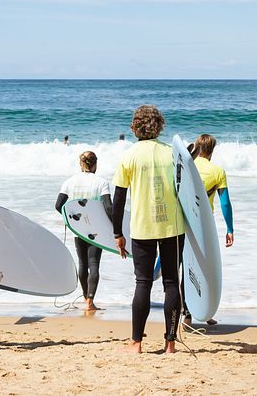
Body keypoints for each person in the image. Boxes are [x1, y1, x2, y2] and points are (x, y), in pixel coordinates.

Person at [112, 105, 185, 354]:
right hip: (173, 227)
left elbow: (118, 198)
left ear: (135, 126)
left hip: (142, 228)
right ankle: (170, 343)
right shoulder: (172, 154)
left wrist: (117, 234)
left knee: (142, 283)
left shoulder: (129, 156)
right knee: (172, 282)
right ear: (159, 125)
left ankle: (136, 343)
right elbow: (187, 192)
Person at [182, 134, 235, 327]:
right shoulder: (217, 171)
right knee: (205, 267)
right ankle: (204, 310)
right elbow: (225, 203)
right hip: (204, 225)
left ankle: (188, 314)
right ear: (212, 150)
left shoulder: (187, 167)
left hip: (183, 222)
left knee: (186, 265)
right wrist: (230, 228)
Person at [55, 151, 112, 311]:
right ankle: (90, 302)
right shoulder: (101, 182)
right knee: (94, 264)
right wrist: (115, 227)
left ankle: (86, 297)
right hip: (96, 230)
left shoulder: (69, 182)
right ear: (95, 164)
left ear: (81, 164)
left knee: (83, 264)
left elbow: (58, 205)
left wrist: (72, 220)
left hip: (78, 230)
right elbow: (108, 207)